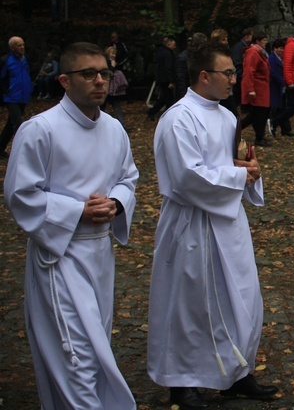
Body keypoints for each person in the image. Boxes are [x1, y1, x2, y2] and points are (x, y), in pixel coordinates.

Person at [4, 41, 139, 409]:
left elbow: (128, 179)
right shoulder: (40, 129)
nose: (100, 81)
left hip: (100, 254)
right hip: (59, 255)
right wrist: (76, 211)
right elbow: (20, 194)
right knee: (74, 352)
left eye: (105, 73)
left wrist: (115, 203)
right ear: (64, 80)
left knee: (96, 346)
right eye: (88, 74)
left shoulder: (114, 129)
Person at [148, 41, 278, 409]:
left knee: (240, 296)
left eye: (234, 73)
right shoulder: (179, 118)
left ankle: (235, 372)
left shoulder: (225, 116)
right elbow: (186, 177)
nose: (234, 80)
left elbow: (227, 164)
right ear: (204, 76)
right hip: (191, 222)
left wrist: (248, 171)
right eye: (229, 73)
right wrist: (238, 177)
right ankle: (183, 380)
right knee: (191, 304)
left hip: (228, 221)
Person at [0, 36, 33, 158]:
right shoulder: (6, 60)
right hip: (11, 96)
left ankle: (0, 147)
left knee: (11, 123)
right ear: (12, 47)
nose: (22, 47)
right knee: (18, 124)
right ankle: (21, 152)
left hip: (23, 96)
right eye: (19, 45)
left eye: (23, 44)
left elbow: (27, 74)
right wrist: (4, 93)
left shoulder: (24, 59)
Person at [240, 33, 273, 147]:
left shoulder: (260, 53)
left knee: (257, 114)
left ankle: (259, 136)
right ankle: (259, 137)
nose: (266, 42)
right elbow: (249, 71)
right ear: (257, 41)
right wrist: (250, 89)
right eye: (264, 40)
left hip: (261, 88)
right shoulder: (253, 52)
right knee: (258, 114)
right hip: (257, 89)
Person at [147, 37, 177, 120]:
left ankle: (153, 111)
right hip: (166, 80)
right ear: (169, 45)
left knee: (165, 98)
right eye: (173, 45)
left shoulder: (161, 52)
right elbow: (168, 67)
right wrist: (171, 80)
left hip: (162, 78)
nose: (174, 47)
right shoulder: (168, 54)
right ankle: (167, 115)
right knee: (168, 98)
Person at [267, 38, 289, 138]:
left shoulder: (280, 59)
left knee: (281, 107)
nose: (281, 50)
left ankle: (285, 128)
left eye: (282, 48)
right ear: (274, 49)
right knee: (276, 107)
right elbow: (273, 72)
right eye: (278, 48)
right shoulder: (272, 58)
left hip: (280, 86)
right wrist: (282, 81)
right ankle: (274, 126)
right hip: (275, 85)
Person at [102, 46, 128, 129]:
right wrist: (113, 67)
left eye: (115, 54)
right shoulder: (106, 62)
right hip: (108, 88)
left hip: (112, 88)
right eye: (112, 53)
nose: (114, 55)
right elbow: (108, 74)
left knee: (116, 105)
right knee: (104, 105)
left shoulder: (113, 61)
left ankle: (122, 124)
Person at [175, 32, 208, 100]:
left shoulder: (199, 56)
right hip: (188, 92)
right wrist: (183, 97)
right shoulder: (184, 58)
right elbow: (181, 79)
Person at [231, 28, 254, 104]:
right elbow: (237, 64)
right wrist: (242, 76)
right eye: (251, 36)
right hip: (240, 81)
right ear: (246, 37)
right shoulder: (239, 48)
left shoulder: (246, 47)